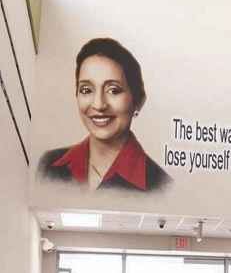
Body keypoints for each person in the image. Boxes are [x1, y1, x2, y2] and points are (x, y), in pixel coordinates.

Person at [38, 38, 171, 191]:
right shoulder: (47, 165)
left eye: (113, 90)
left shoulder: (161, 187)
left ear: (138, 101)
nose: (99, 105)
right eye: (86, 90)